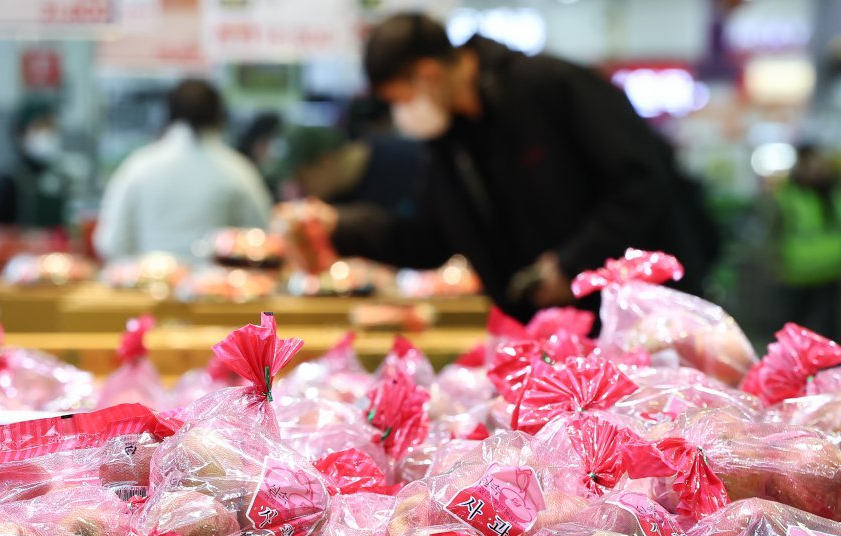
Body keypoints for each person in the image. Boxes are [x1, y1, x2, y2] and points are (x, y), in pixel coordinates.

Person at [295, 13, 718, 321]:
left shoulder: (550, 86)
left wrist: (571, 263)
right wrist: (339, 225)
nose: (402, 115)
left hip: (644, 318)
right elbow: (430, 238)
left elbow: (639, 182)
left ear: (427, 74)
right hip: (554, 333)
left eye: (399, 100)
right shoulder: (450, 142)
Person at [94, 79, 271, 262]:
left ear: (167, 114)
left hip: (148, 284)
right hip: (217, 287)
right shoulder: (238, 171)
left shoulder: (138, 168)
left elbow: (111, 243)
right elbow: (262, 238)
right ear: (219, 116)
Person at [269, 124, 427, 220]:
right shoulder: (330, 198)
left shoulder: (410, 161)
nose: (295, 190)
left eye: (300, 178)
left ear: (326, 161)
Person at [772, 144, 841, 338]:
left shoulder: (833, 191)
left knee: (830, 327)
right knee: (794, 326)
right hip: (797, 274)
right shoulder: (787, 195)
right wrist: (774, 264)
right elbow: (772, 234)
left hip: (831, 271)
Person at [0, 96, 68, 230]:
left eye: (51, 127)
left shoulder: (61, 180)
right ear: (22, 133)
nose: (47, 134)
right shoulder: (7, 181)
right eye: (40, 127)